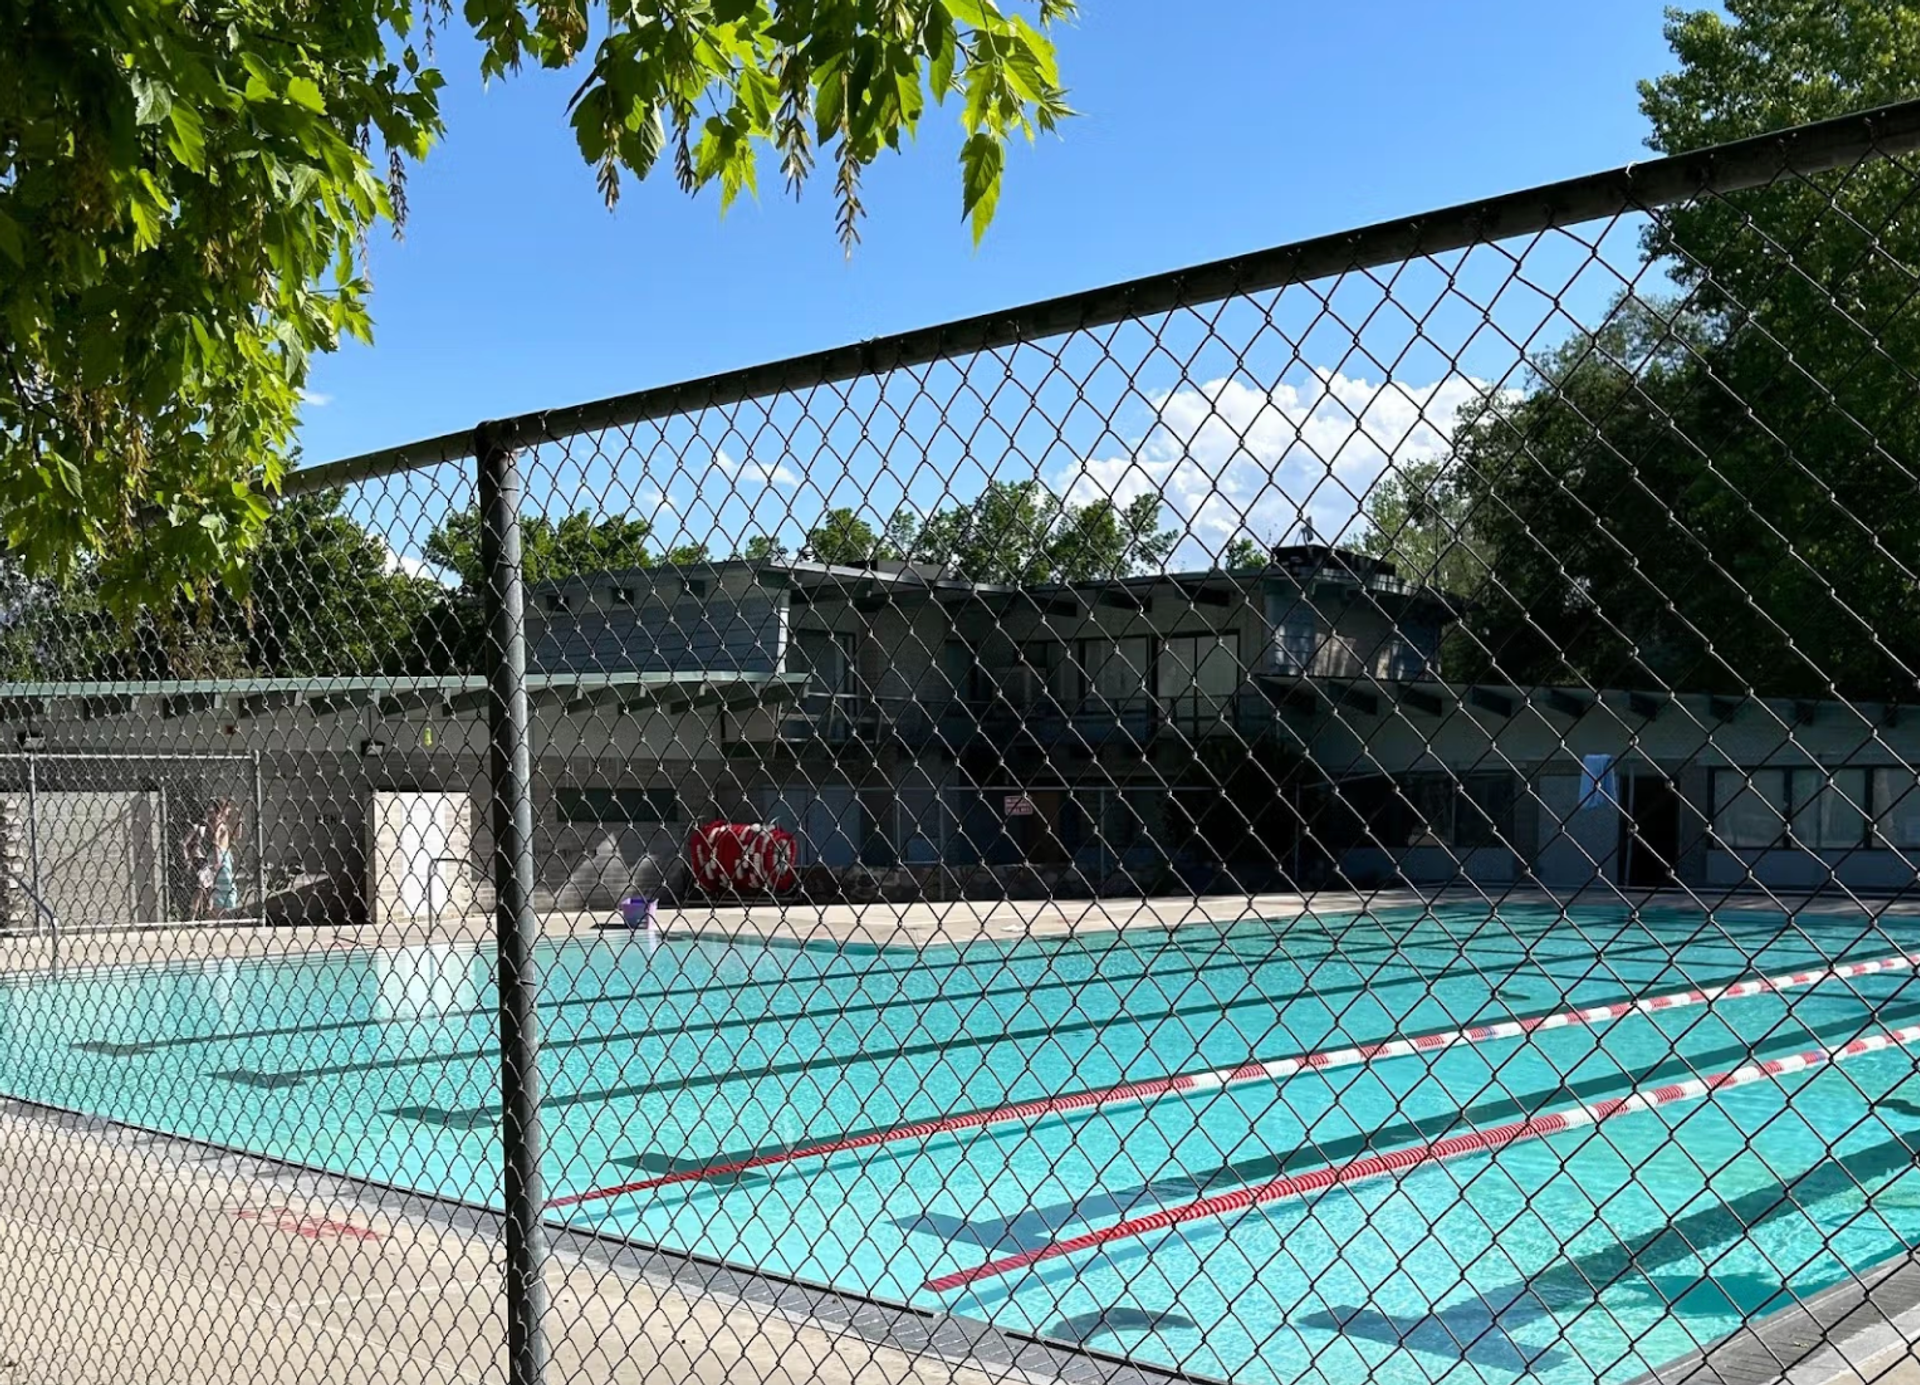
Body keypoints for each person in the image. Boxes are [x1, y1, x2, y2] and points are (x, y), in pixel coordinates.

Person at [183, 801, 245, 920]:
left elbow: (236, 836)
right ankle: (206, 915)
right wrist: (217, 860)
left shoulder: (222, 824)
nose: (229, 811)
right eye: (227, 808)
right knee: (213, 886)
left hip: (224, 855)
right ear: (221, 810)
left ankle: (211, 915)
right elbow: (215, 842)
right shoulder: (216, 824)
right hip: (219, 856)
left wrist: (239, 822)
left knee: (211, 887)